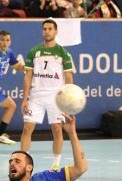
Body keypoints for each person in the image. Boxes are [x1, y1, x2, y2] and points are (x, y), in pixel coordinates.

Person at [21, 18, 72, 171]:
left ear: (56, 32)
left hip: (55, 97)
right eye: (45, 29)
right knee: (27, 127)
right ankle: (22, 162)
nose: (47, 31)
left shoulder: (63, 52)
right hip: (36, 96)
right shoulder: (33, 51)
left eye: (50, 29)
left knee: (57, 129)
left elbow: (69, 77)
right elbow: (28, 76)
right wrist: (25, 99)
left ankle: (56, 163)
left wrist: (67, 100)